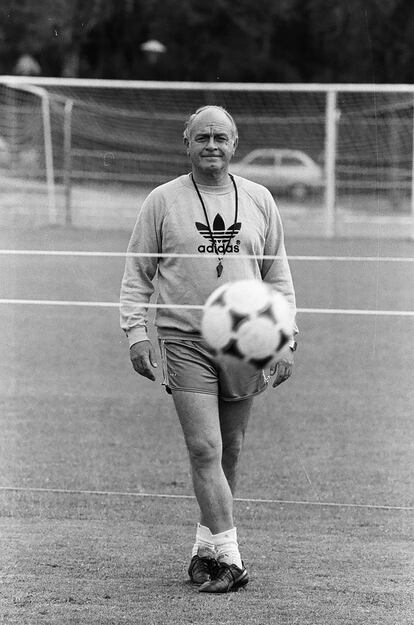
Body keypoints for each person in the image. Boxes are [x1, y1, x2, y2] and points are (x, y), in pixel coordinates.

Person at [120, 105, 297, 593]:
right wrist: (136, 332)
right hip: (184, 339)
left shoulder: (259, 199)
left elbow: (276, 273)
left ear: (235, 144)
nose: (212, 145)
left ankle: (206, 550)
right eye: (202, 137)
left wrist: (286, 335)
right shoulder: (162, 200)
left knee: (230, 452)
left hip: (246, 343)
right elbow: (138, 274)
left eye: (221, 137)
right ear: (187, 142)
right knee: (205, 447)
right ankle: (233, 560)